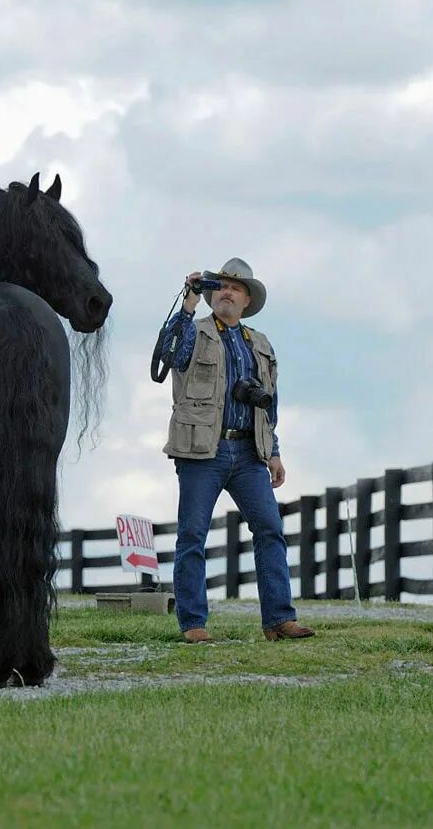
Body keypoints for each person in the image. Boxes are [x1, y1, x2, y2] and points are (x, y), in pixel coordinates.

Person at [162, 257, 315, 644]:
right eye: (222, 286)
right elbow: (169, 354)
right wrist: (187, 303)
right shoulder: (193, 331)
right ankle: (193, 624)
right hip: (202, 451)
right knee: (192, 535)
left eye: (236, 288)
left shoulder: (260, 344)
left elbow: (270, 404)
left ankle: (279, 620)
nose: (227, 292)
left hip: (249, 452)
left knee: (270, 530)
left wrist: (274, 452)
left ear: (247, 299)